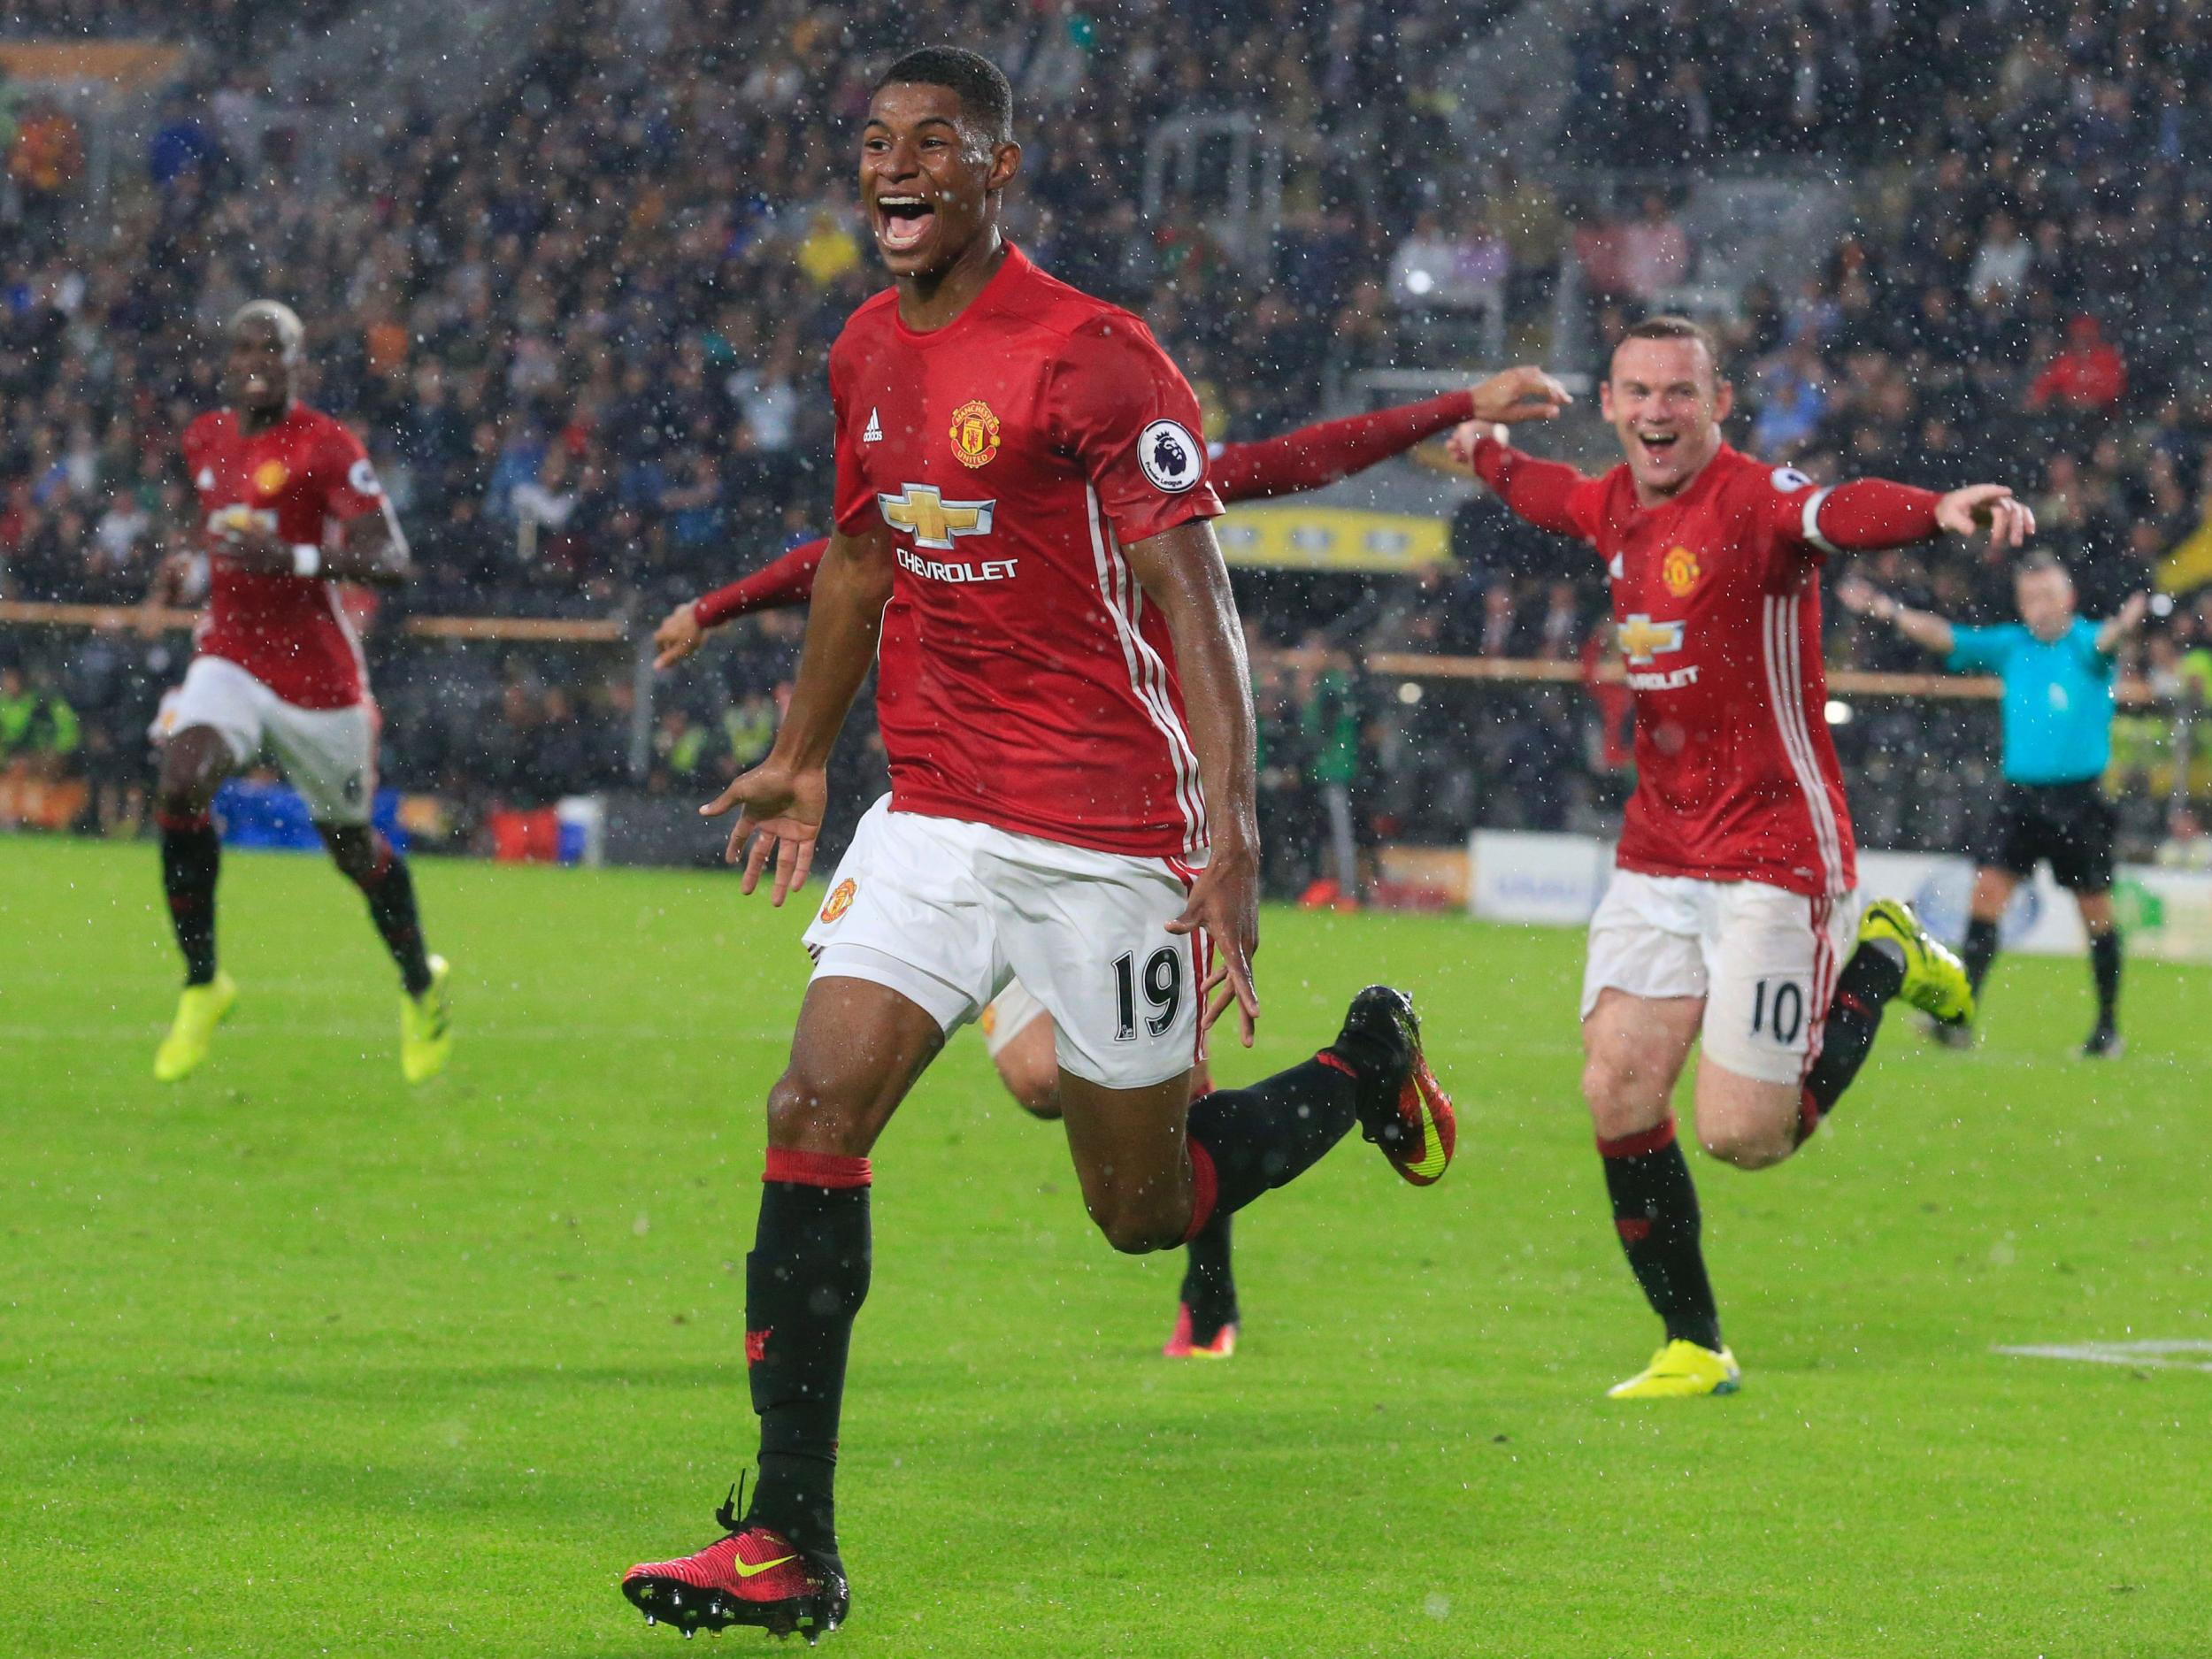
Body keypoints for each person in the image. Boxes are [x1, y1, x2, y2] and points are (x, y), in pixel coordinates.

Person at [618, 49, 1454, 1641]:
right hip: (935, 806)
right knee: (811, 1105)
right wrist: (801, 758)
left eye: (934, 142)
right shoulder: (866, 349)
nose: (895, 167)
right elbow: (861, 565)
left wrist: (1237, 836)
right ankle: (792, 1537)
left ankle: (1362, 1075)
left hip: (1107, 829)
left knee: (1142, 1212)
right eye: (874, 143)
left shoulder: (1093, 358)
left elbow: (1196, 603)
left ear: (998, 170)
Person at [653, 389, 1488, 1363]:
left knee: (1158, 1146)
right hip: (961, 826)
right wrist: (719, 606)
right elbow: (853, 553)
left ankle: (1212, 1293)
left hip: (1112, 824)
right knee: (1037, 1082)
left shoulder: (1144, 488)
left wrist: (1458, 407)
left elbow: (1307, 455)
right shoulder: (961, 502)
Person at [1447, 316, 2032, 1401]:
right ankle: (1693, 1344)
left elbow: (1836, 512)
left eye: (1678, 392)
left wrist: (1935, 513)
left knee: (1744, 1139)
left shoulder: (1759, 501)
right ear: (1612, 403)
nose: (1656, 413)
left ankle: (1885, 960)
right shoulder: (1615, 502)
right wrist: (1478, 445)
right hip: (1658, 851)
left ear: (1717, 404)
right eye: (1636, 393)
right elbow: (1546, 494)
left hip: (1773, 850)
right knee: (1616, 1087)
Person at [142, 302, 452, 1086]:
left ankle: (420, 983)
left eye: (271, 349)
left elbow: (393, 557)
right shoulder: (204, 438)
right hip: (231, 656)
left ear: (296, 360)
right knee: (180, 781)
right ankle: (204, 982)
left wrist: (298, 558)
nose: (257, 362)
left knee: (351, 847)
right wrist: (184, 565)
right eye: (243, 347)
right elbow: (204, 524)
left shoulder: (325, 445)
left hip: (319, 684)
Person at [1837, 558, 2148, 1056]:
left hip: (2078, 801)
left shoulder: (2085, 645)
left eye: (2047, 596)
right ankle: (1959, 1019)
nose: (2038, 607)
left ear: (2067, 598)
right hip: (2021, 797)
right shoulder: (2012, 646)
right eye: (2030, 598)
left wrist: (2127, 623)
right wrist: (1887, 609)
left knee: (2095, 914)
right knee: (1986, 899)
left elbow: (2107, 642)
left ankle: (2106, 1029)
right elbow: (1945, 637)